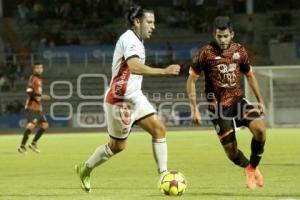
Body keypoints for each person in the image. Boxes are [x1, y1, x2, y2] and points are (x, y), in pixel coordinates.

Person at [75, 5, 181, 193]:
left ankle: (164, 175)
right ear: (136, 22)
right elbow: (134, 66)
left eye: (154, 22)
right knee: (117, 146)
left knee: (159, 129)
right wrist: (163, 71)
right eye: (149, 22)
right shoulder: (129, 39)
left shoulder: (137, 41)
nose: (153, 26)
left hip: (134, 96)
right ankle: (85, 169)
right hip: (119, 100)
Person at [186, 16, 266, 190]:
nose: (222, 40)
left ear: (232, 34)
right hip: (218, 109)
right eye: (219, 36)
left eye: (225, 36)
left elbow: (250, 75)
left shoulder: (240, 51)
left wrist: (260, 101)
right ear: (214, 35)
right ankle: (247, 167)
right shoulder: (205, 53)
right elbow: (191, 80)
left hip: (238, 101)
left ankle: (252, 168)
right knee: (231, 152)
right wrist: (194, 109)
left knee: (260, 130)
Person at [18, 63, 51, 154]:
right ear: (34, 69)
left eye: (41, 67)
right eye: (37, 68)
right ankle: (22, 146)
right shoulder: (33, 78)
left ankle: (33, 143)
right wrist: (42, 96)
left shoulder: (40, 79)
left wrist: (40, 98)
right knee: (31, 126)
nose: (39, 69)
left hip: (38, 107)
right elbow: (29, 91)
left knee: (45, 125)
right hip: (32, 106)